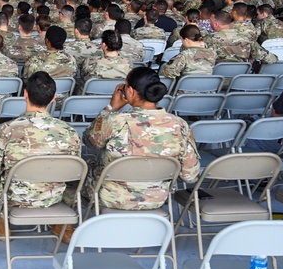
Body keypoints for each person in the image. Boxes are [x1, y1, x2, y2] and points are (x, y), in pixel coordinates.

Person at [69, 67, 199, 237]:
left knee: (70, 177)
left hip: (109, 197)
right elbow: (190, 175)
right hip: (156, 198)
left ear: (129, 91)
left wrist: (110, 109)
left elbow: (90, 141)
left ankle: (64, 228)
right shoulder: (180, 125)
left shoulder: (116, 121)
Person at [0, 72, 81, 235]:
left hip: (13, 196)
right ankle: (63, 224)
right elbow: (74, 174)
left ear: (25, 94)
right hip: (54, 196)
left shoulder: (7, 130)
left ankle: (2, 222)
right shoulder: (70, 132)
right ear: (53, 98)